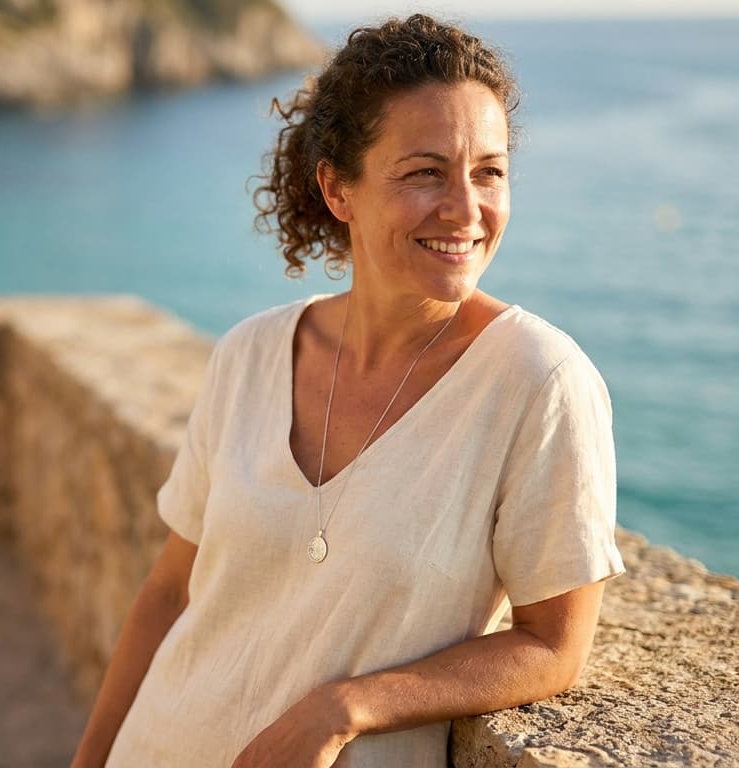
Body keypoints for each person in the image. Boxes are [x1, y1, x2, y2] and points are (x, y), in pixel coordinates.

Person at [71, 14, 625, 768]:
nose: (466, 209)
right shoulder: (250, 356)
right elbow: (170, 594)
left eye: (489, 171)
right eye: (425, 172)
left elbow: (553, 646)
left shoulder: (540, 382)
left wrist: (346, 707)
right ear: (338, 188)